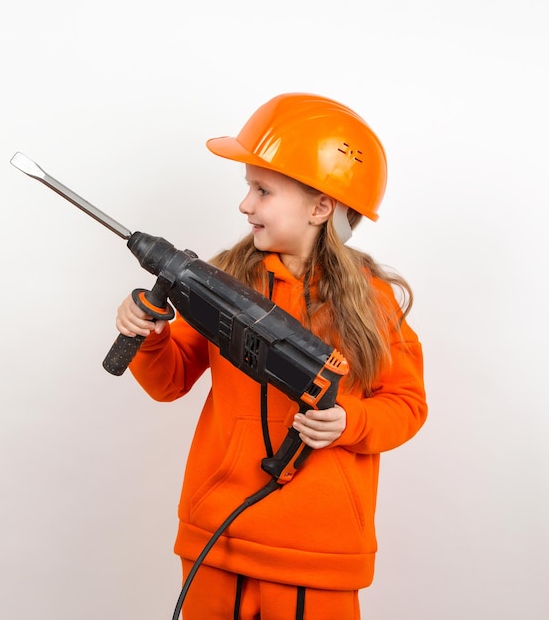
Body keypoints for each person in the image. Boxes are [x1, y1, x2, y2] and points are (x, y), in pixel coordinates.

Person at [115, 93, 428, 620]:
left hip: (318, 554)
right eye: (247, 188)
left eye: (263, 190)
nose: (245, 205)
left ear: (321, 205)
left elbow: (407, 404)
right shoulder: (222, 281)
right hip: (219, 539)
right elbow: (169, 381)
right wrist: (148, 334)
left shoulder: (371, 301)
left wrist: (349, 421)